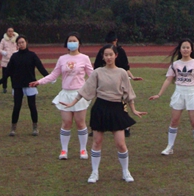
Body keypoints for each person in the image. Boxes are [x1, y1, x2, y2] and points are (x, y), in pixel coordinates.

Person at [61, 44, 146, 184]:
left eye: (110, 55)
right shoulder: (97, 72)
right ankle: (94, 172)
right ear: (103, 57)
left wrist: (133, 109)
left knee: (121, 144)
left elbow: (128, 93)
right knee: (97, 142)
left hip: (116, 109)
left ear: (116, 55)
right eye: (105, 55)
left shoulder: (122, 73)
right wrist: (72, 103)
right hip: (100, 108)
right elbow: (85, 89)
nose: (108, 57)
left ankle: (126, 171)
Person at [30, 32, 93, 160]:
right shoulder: (62, 59)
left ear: (79, 43)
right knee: (66, 122)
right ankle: (64, 150)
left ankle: (83, 149)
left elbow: (93, 76)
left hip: (79, 94)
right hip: (66, 94)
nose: (72, 42)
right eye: (70, 40)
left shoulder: (84, 58)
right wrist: (39, 82)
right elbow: (53, 75)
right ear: (66, 44)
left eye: (74, 40)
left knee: (80, 123)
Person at [149, 39, 194, 157]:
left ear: (191, 49)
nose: (185, 50)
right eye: (183, 47)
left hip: (192, 93)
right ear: (179, 49)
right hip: (179, 92)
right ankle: (170, 147)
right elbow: (168, 79)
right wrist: (159, 94)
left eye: (187, 47)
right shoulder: (175, 64)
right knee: (174, 120)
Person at [93, 31, 142, 137]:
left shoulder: (120, 51)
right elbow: (96, 67)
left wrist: (132, 77)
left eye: (113, 42)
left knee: (123, 103)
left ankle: (125, 127)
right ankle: (97, 127)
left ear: (116, 41)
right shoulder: (103, 51)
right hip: (106, 80)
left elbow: (125, 67)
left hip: (120, 79)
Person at [2, 35, 49, 136]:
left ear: (26, 42)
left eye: (22, 42)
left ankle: (35, 127)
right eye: (19, 43)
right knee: (17, 106)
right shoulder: (14, 56)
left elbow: (40, 67)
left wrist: (48, 77)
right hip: (17, 85)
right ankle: (13, 128)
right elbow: (8, 70)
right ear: (17, 45)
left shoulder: (32, 55)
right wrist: (2, 80)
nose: (21, 44)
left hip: (30, 84)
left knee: (32, 106)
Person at [0, 27, 19, 93]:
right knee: (5, 75)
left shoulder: (17, 39)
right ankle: (4, 87)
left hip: (14, 61)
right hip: (5, 61)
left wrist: (17, 52)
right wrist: (3, 52)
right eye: (9, 31)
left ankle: (14, 88)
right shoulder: (3, 40)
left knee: (13, 76)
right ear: (7, 32)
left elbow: (19, 47)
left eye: (12, 31)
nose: (10, 33)